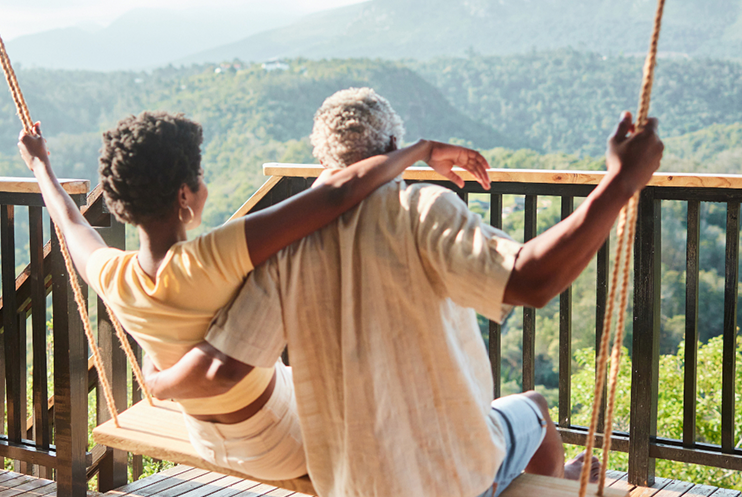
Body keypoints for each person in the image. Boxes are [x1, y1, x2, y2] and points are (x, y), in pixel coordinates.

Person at [187, 88, 665, 497]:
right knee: (535, 409)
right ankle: (559, 480)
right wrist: (621, 182)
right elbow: (531, 280)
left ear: (323, 164)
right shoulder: (420, 209)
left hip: (353, 484)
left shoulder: (286, 247)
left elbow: (226, 365)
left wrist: (161, 374)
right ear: (394, 147)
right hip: (453, 479)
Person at [12, 109, 494, 481]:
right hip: (279, 442)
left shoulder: (113, 275)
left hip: (210, 438)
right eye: (199, 178)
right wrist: (420, 149)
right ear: (184, 196)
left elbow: (71, 222)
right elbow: (334, 195)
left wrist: (41, 168)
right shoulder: (211, 258)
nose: (204, 186)